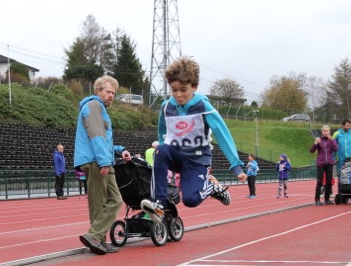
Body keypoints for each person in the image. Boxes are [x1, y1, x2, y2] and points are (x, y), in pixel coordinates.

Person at [140, 56, 246, 223]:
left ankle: (211, 186)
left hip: (197, 160)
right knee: (159, 150)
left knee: (190, 200)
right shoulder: (166, 107)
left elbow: (222, 134)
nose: (178, 95)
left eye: (183, 90)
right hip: (176, 155)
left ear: (194, 86)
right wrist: (162, 148)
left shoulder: (203, 107)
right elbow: (162, 132)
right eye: (174, 90)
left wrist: (236, 167)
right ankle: (159, 204)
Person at [74, 75, 131, 255]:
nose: (111, 95)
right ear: (98, 91)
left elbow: (103, 140)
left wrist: (120, 150)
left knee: (114, 200)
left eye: (114, 93)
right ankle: (95, 237)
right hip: (95, 161)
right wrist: (104, 161)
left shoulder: (99, 109)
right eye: (108, 91)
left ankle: (97, 238)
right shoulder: (94, 106)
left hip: (101, 158)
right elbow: (96, 136)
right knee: (99, 202)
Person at [310, 125, 338, 205]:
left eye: (327, 131)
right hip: (320, 163)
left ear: (329, 132)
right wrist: (315, 143)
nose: (326, 132)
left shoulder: (332, 140)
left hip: (329, 163)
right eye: (324, 131)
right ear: (322, 132)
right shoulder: (319, 140)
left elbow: (336, 149)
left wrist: (332, 141)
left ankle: (327, 199)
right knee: (319, 181)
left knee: (329, 182)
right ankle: (317, 200)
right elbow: (311, 150)